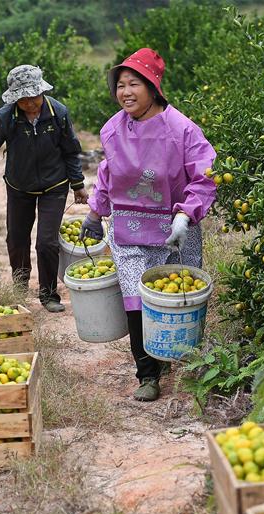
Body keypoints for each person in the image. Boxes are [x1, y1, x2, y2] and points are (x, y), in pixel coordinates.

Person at [80, 48, 217, 401]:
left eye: (134, 84)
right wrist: (95, 214)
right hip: (129, 229)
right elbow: (107, 175)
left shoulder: (181, 129)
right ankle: (147, 374)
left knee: (174, 296)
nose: (125, 92)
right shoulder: (113, 129)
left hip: (175, 229)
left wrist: (186, 214)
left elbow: (205, 175)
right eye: (120, 85)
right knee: (135, 297)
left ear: (153, 87)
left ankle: (176, 359)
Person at [0, 65, 87, 313]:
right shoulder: (7, 116)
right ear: (15, 99)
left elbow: (71, 152)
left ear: (41, 92)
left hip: (54, 186)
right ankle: (19, 288)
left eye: (33, 97)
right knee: (17, 239)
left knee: (47, 243)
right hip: (19, 187)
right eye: (23, 100)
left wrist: (78, 185)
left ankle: (48, 294)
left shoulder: (58, 113)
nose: (29, 104)